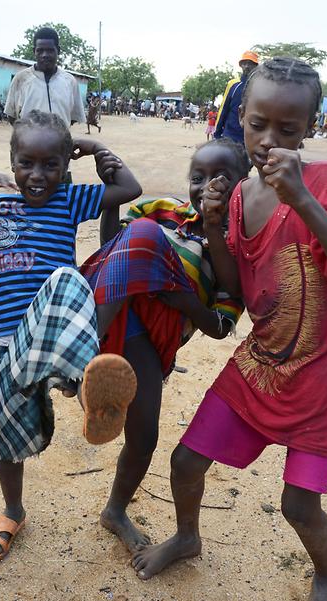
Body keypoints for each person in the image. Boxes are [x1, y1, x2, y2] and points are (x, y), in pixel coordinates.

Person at [130, 57, 327, 601]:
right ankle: (188, 537)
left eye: (287, 130)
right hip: (262, 362)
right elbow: (238, 288)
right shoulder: (241, 194)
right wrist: (215, 225)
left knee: (298, 504)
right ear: (240, 116)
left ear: (309, 128)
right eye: (258, 123)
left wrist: (303, 200)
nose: (269, 140)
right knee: (186, 461)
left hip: (324, 376)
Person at [0, 109, 143, 562]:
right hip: (12, 347)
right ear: (12, 161)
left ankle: (88, 389)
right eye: (27, 163)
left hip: (59, 336)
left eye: (51, 165)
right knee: (6, 437)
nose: (38, 175)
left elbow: (129, 190)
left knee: (66, 280)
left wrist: (94, 149)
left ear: (65, 167)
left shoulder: (67, 199)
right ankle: (12, 510)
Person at [79, 138, 248, 551]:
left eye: (221, 179)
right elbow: (112, 248)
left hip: (156, 340)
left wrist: (184, 298)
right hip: (119, 307)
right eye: (197, 177)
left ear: (244, 185)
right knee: (141, 234)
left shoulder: (238, 254)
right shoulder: (161, 211)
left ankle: (114, 510)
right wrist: (111, 203)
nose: (206, 186)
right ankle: (82, 348)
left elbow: (220, 326)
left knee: (145, 439)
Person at [4, 27, 85, 127]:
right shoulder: (21, 79)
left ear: (58, 51)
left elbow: (72, 118)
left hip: (60, 142)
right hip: (29, 142)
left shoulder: (70, 81)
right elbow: (12, 116)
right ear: (34, 51)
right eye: (40, 51)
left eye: (50, 50)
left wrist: (58, 133)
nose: (45, 55)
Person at [213, 50, 259, 144]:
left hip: (250, 138)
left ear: (256, 66)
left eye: (250, 63)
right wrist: (217, 134)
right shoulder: (234, 84)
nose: (247, 66)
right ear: (241, 65)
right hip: (230, 135)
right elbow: (223, 109)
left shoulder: (260, 86)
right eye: (244, 63)